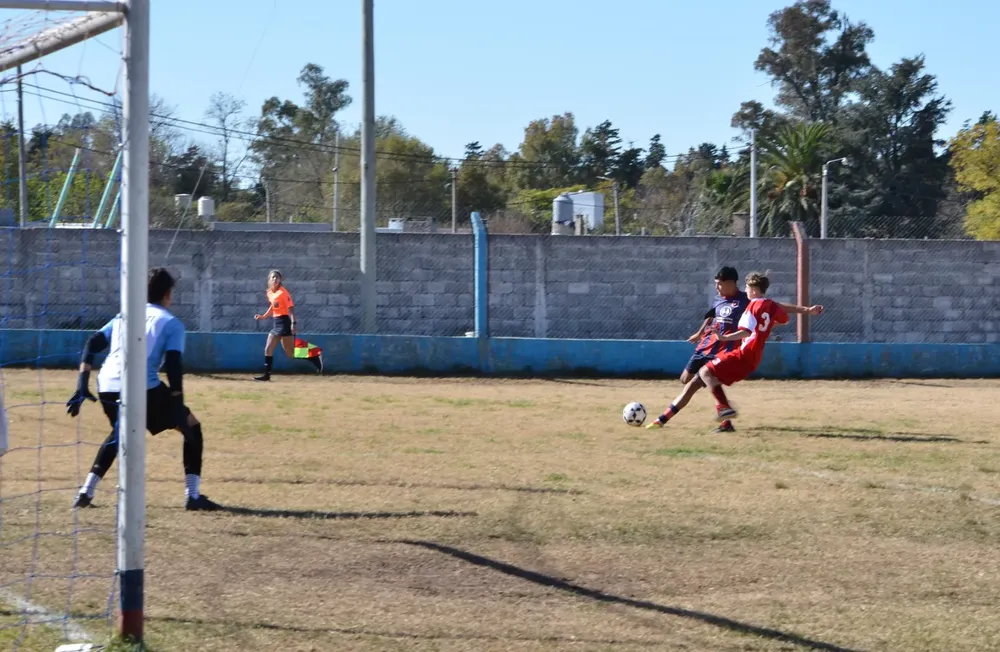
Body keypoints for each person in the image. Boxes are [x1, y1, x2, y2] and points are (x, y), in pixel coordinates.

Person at [66, 267, 221, 511]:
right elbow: (173, 364)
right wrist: (177, 403)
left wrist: (81, 386)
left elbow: (92, 343)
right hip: (141, 386)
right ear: (168, 293)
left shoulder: (125, 315)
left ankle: (86, 491)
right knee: (192, 427)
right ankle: (193, 496)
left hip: (107, 384)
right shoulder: (172, 324)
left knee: (121, 434)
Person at [647, 271, 823, 429]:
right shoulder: (768, 305)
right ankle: (662, 420)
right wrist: (806, 310)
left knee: (705, 373)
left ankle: (724, 409)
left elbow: (746, 331)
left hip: (740, 353)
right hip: (751, 357)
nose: (745, 290)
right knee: (695, 381)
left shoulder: (750, 306)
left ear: (753, 290)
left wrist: (724, 338)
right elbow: (783, 317)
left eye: (747, 287)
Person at [681, 266, 750, 433]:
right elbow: (711, 315)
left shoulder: (745, 301)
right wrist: (699, 333)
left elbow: (759, 315)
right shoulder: (719, 299)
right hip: (706, 345)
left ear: (731, 283)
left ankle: (725, 418)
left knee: (707, 379)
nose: (716, 287)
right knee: (684, 379)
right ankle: (708, 380)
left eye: (719, 284)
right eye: (716, 284)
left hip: (725, 348)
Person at [253, 269, 323, 382]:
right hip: (276, 324)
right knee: (268, 349)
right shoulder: (269, 292)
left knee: (291, 353)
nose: (275, 279)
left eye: (277, 277)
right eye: (273, 277)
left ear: (280, 280)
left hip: (284, 322)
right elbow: (273, 306)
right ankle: (267, 376)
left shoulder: (283, 292)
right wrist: (263, 316)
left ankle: (314, 354)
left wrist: (293, 323)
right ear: (269, 280)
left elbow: (291, 309)